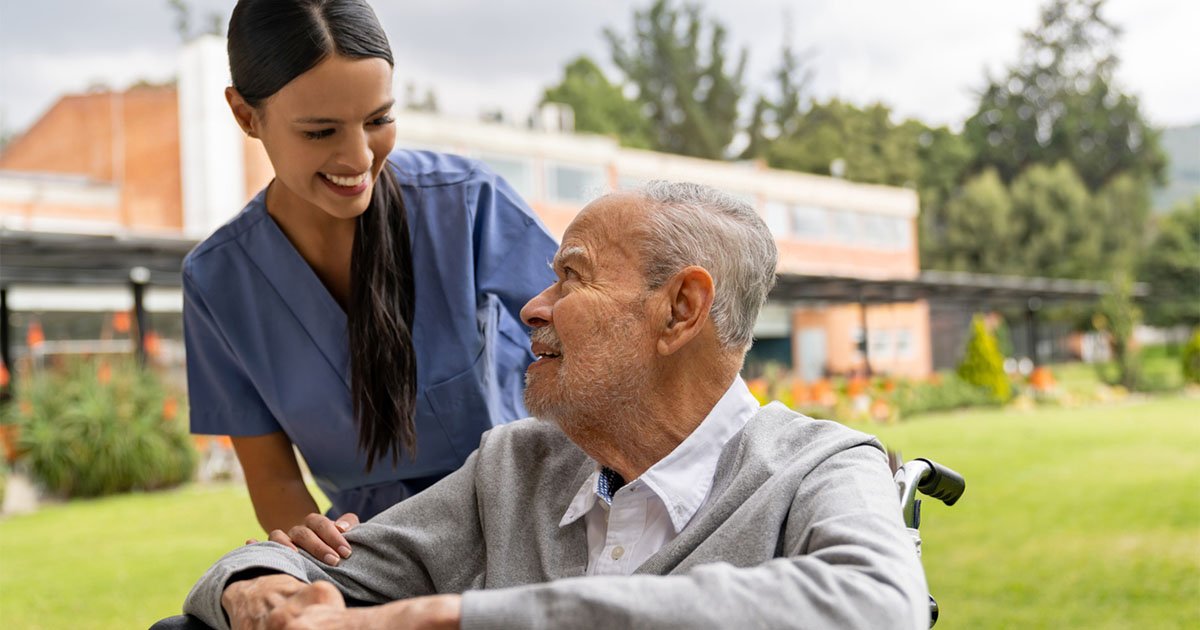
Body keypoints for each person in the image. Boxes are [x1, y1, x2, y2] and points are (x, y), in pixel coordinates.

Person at [175, 182, 930, 630]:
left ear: (681, 309)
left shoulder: (819, 468)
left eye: (572, 277)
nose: (533, 308)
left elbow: (877, 604)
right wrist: (258, 591)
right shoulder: (512, 467)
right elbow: (291, 563)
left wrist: (449, 616)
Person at [183, 0, 557, 560]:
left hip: (523, 521)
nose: (359, 157)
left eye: (378, 120)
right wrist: (309, 536)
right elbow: (274, 479)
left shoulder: (468, 205)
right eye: (320, 131)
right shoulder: (218, 282)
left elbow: (596, 348)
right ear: (245, 116)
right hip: (370, 552)